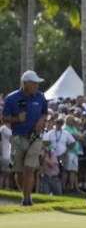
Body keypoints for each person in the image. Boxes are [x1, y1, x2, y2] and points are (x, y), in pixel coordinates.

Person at [2, 71, 48, 206]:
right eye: (34, 83)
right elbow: (4, 118)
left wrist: (41, 120)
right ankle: (25, 194)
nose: (36, 86)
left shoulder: (40, 97)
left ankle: (27, 200)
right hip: (17, 138)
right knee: (19, 171)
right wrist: (16, 119)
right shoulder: (11, 98)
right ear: (25, 83)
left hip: (35, 138)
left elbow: (45, 113)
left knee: (30, 168)